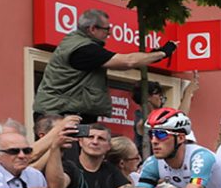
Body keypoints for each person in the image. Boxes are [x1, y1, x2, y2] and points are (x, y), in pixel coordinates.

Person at [33, 9, 177, 123]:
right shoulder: (84, 49)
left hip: (65, 113)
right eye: (107, 29)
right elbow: (128, 61)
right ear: (92, 29)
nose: (109, 34)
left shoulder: (77, 43)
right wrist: (163, 53)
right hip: (57, 117)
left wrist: (151, 56)